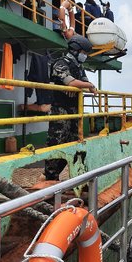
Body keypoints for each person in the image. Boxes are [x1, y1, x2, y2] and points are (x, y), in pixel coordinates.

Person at [44, 35, 98, 181]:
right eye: (84, 53)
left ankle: (62, 174)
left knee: (74, 142)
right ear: (76, 50)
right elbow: (72, 83)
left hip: (74, 109)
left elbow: (84, 80)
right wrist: (90, 86)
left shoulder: (78, 67)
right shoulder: (60, 63)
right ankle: (50, 176)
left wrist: (89, 85)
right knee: (57, 142)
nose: (84, 56)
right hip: (60, 109)